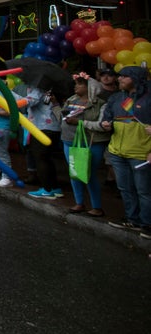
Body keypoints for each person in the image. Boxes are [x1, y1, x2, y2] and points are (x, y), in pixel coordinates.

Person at [100, 65, 151, 237]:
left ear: (136, 79)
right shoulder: (116, 98)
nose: (119, 79)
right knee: (125, 188)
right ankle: (132, 219)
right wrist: (105, 125)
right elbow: (107, 118)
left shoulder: (148, 99)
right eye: (119, 76)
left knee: (144, 190)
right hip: (117, 152)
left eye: (124, 77)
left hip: (141, 153)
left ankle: (147, 224)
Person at [61, 74, 108, 217]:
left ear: (90, 88)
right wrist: (57, 106)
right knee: (74, 172)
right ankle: (79, 202)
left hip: (91, 142)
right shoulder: (70, 100)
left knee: (89, 173)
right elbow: (62, 118)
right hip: (69, 140)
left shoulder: (101, 104)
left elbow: (102, 126)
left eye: (79, 84)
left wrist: (80, 123)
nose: (75, 86)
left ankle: (97, 206)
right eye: (75, 84)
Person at [25, 85, 64, 200]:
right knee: (47, 159)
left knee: (41, 159)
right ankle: (54, 188)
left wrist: (11, 96)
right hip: (54, 128)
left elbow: (29, 102)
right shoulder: (52, 89)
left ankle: (47, 189)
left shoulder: (37, 88)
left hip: (42, 128)